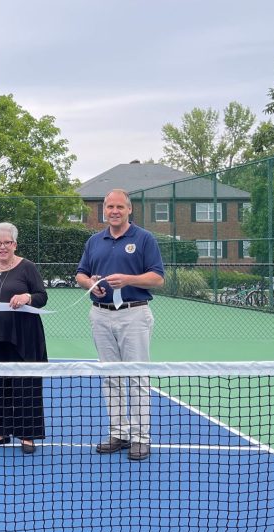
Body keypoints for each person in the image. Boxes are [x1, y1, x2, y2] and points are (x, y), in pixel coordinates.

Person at [75, 188, 165, 461]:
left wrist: (127, 279)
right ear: (104, 210)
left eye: (119, 207)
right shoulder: (94, 241)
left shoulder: (144, 239)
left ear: (129, 210)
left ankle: (140, 438)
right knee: (111, 378)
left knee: (137, 377)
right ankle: (119, 432)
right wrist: (91, 284)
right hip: (100, 315)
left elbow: (157, 278)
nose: (114, 211)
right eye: (109, 207)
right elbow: (81, 274)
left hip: (133, 315)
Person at [0, 223, 49, 454]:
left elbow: (42, 296)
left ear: (14, 244)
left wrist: (27, 296)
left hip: (24, 336)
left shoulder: (28, 268)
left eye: (7, 243)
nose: (2, 247)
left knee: (26, 385)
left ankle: (27, 435)